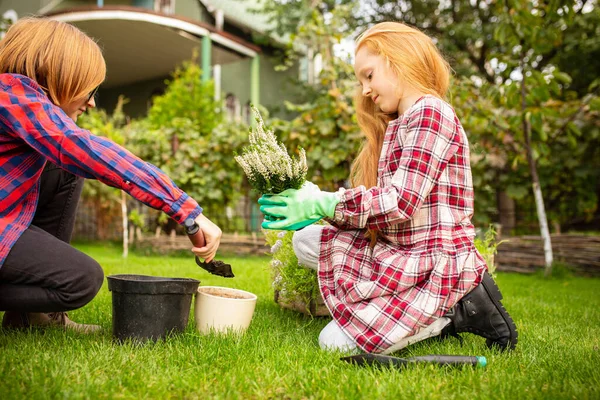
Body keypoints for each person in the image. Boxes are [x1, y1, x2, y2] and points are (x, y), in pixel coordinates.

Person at [259, 22, 518, 354]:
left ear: (399, 60)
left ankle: (454, 307)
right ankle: (401, 309)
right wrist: (313, 201)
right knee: (305, 240)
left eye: (369, 75)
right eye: (360, 81)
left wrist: (325, 203)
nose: (365, 89)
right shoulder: (401, 122)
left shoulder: (431, 113)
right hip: (401, 254)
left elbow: (400, 203)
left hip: (434, 262)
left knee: (334, 344)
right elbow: (383, 211)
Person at [0, 17, 221, 333]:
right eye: (87, 88)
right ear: (57, 73)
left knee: (65, 170)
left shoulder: (21, 107)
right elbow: (83, 148)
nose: (91, 102)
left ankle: (33, 318)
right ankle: (39, 311)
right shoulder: (11, 94)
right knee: (80, 280)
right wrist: (185, 209)